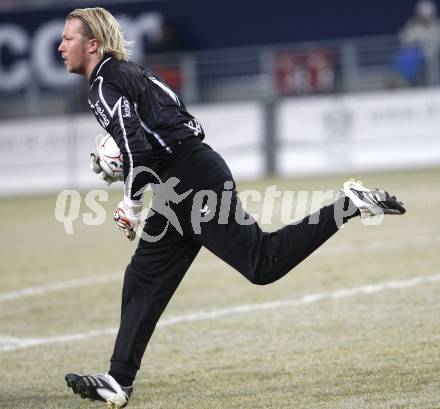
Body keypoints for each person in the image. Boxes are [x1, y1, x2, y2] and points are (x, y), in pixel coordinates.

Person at [58, 7, 406, 408]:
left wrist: (131, 203)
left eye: (68, 38)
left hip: (190, 180)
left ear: (93, 45)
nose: (61, 45)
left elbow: (138, 144)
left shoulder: (103, 85)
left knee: (263, 262)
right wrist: (130, 164)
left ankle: (348, 204)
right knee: (143, 278)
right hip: (185, 178)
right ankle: (119, 381)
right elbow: (171, 126)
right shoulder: (132, 72)